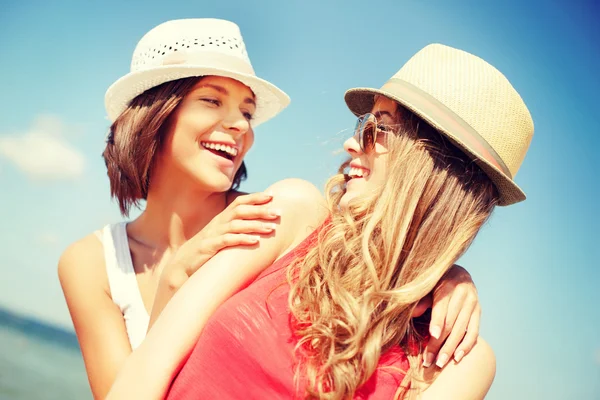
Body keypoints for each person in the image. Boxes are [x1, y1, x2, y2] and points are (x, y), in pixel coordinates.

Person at [58, 20, 480, 399]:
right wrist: (174, 279)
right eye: (211, 100)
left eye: (246, 111)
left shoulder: (273, 218)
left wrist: (450, 278)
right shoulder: (92, 262)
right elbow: (127, 387)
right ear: (155, 113)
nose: (241, 124)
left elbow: (381, 246)